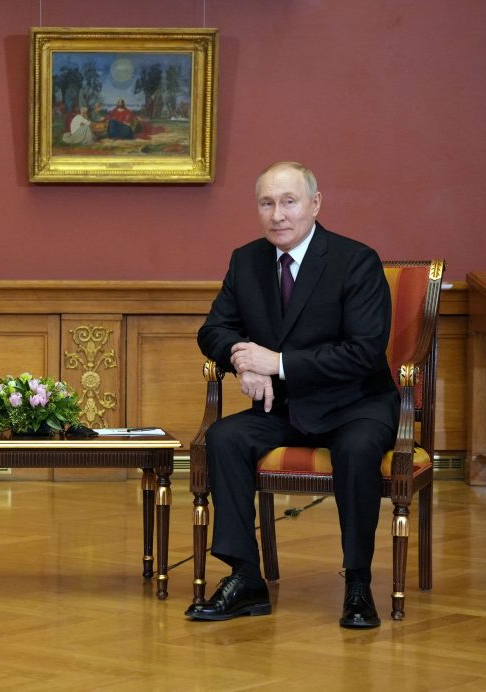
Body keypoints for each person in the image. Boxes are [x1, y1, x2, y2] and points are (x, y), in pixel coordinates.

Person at [187, 161, 398, 629]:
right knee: (225, 437)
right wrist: (243, 359)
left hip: (356, 405)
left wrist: (277, 363)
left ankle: (358, 583)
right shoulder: (247, 260)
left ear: (315, 204)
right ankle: (245, 578)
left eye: (289, 202)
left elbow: (363, 352)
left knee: (357, 450)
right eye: (267, 204)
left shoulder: (355, 260)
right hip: (284, 408)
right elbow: (213, 330)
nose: (277, 215)